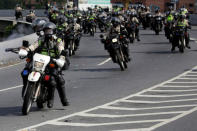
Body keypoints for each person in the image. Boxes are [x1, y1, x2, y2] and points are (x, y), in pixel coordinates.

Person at [21, 22, 69, 108]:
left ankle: (57, 99)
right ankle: (26, 88)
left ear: (53, 31)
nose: (48, 32)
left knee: (55, 80)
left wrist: (61, 58)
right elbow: (33, 46)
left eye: (50, 31)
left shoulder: (58, 40)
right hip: (40, 61)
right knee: (25, 71)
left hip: (52, 62)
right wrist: (27, 50)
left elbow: (61, 49)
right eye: (46, 31)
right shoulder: (41, 39)